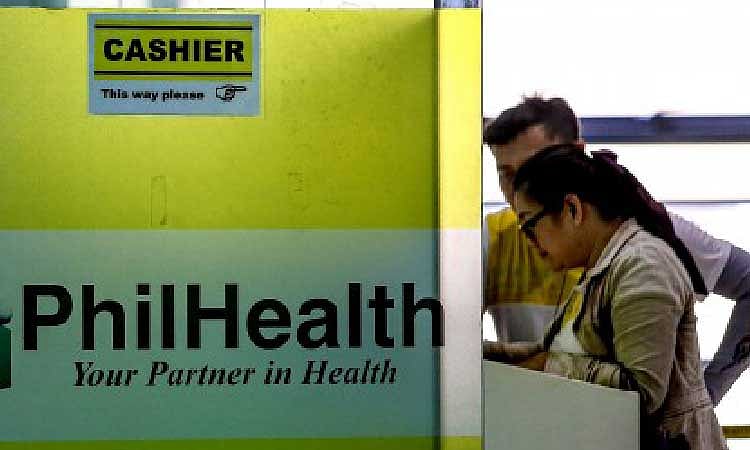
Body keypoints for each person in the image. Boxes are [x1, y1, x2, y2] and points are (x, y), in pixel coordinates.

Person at [482, 96, 750, 405]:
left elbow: (641, 389)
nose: (520, 190)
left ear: (577, 155)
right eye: (506, 174)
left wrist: (711, 389)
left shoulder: (652, 236)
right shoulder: (492, 238)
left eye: (537, 169)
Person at [486, 144, 726, 449]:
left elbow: (641, 391)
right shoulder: (603, 265)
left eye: (530, 225)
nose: (530, 243)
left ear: (572, 209)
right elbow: (553, 352)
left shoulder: (643, 265)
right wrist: (482, 355)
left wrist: (548, 366)